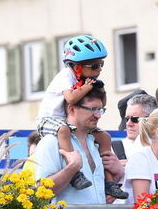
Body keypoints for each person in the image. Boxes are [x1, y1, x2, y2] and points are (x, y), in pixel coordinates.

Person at [38, 35, 126, 198]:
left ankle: (109, 182)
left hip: (67, 121)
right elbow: (71, 98)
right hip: (50, 119)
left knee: (104, 136)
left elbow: (102, 102)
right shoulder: (65, 76)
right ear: (77, 67)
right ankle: (75, 172)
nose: (99, 70)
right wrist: (87, 87)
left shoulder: (86, 80)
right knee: (63, 130)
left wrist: (100, 88)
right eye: (94, 66)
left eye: (101, 64)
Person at [34, 83, 119, 207]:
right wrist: (72, 168)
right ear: (72, 109)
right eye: (92, 109)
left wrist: (118, 175)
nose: (98, 115)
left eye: (100, 110)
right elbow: (42, 192)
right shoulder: (51, 141)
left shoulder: (96, 141)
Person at [117, 92, 157, 162]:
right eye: (127, 119)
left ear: (152, 120)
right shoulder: (114, 149)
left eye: (135, 119)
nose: (128, 124)